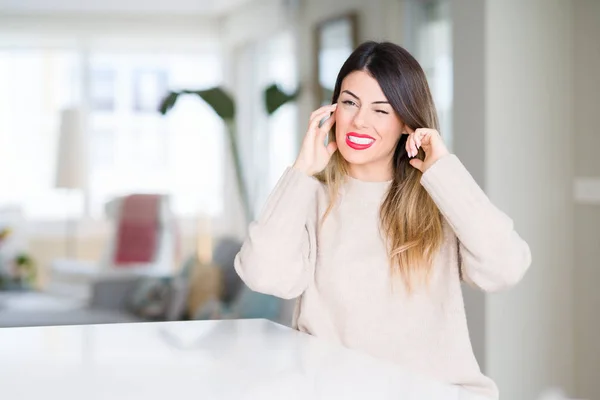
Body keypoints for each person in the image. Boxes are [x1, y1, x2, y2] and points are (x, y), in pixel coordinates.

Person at [234, 41, 531, 399]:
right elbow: (262, 275)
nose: (359, 120)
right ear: (333, 110)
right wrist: (301, 172)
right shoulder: (310, 197)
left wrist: (445, 171)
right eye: (349, 102)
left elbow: (505, 268)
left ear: (406, 122)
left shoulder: (440, 197)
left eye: (381, 110)